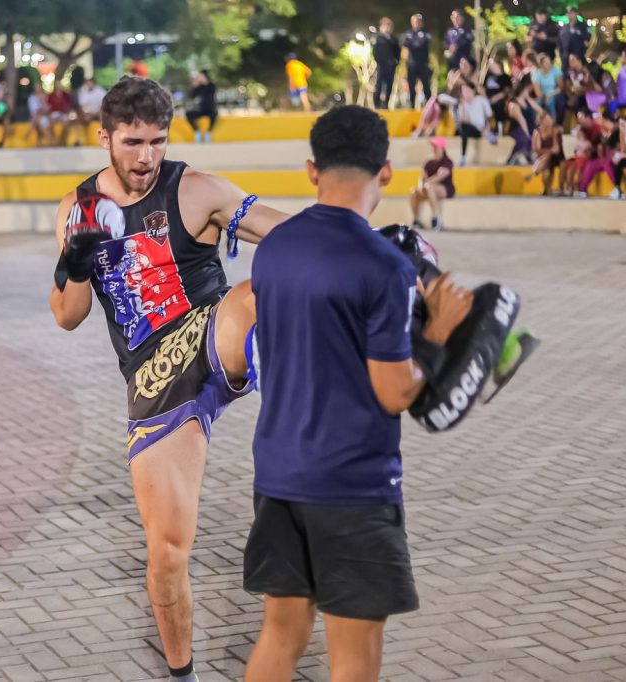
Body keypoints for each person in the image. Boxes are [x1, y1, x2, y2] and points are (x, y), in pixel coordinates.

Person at [48, 76, 289, 682]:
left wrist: (365, 243)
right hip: (155, 377)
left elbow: (288, 233)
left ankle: (298, 458)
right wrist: (76, 257)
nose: (146, 156)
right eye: (132, 142)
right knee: (165, 554)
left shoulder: (196, 189)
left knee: (263, 291)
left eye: (157, 141)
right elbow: (68, 316)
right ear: (104, 137)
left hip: (211, 328)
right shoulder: (76, 208)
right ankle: (182, 674)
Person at [241, 105, 472, 682]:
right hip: (350, 484)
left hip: (277, 473)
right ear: (386, 172)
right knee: (353, 661)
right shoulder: (384, 265)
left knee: (280, 636)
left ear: (311, 170)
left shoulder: (274, 249)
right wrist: (437, 336)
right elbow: (394, 392)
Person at [410, 137, 454, 231]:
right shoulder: (428, 163)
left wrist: (426, 184)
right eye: (433, 146)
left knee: (429, 187)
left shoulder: (447, 161)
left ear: (442, 148)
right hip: (428, 189)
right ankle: (416, 220)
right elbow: (422, 178)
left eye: (436, 146)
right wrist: (420, 186)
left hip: (445, 189)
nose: (433, 148)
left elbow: (440, 176)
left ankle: (436, 218)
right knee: (414, 192)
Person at [454, 83, 494, 165]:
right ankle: (463, 157)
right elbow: (463, 121)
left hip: (481, 129)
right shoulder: (462, 104)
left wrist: (487, 130)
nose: (466, 93)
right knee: (463, 128)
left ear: (473, 91)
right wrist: (463, 107)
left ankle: (464, 157)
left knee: (464, 130)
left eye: (467, 91)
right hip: (469, 129)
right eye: (464, 91)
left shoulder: (481, 100)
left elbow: (490, 118)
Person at [524, 112, 563, 196]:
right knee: (546, 166)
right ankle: (547, 190)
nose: (549, 121)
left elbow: (556, 149)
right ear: (541, 121)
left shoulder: (554, 130)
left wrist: (545, 151)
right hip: (542, 158)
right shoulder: (537, 132)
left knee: (547, 157)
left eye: (549, 119)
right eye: (546, 119)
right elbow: (536, 149)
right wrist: (548, 151)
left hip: (555, 157)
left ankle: (533, 173)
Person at [507, 78, 542, 165]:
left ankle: (532, 158)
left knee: (537, 137)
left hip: (531, 127)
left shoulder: (528, 100)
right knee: (525, 139)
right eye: (528, 89)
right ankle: (515, 159)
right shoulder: (513, 104)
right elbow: (521, 120)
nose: (529, 91)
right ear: (523, 89)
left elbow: (540, 111)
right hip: (518, 129)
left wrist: (538, 118)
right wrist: (528, 135)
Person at [401, 14, 433, 107]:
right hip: (412, 64)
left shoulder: (426, 33)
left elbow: (422, 42)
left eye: (419, 21)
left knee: (426, 85)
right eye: (415, 21)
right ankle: (411, 105)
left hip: (423, 63)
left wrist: (413, 42)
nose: (417, 23)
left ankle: (430, 105)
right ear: (412, 22)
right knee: (411, 85)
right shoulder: (407, 33)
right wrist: (415, 42)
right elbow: (405, 42)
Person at [373, 17, 400, 109]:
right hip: (381, 65)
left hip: (391, 66)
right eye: (385, 25)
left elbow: (398, 52)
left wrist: (396, 61)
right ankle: (376, 103)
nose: (387, 27)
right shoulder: (378, 38)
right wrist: (379, 61)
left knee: (389, 84)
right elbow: (375, 52)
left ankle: (386, 102)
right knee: (379, 84)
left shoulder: (394, 39)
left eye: (389, 25)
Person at [185, 70, 218, 143]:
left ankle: (208, 133)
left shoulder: (212, 85)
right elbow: (192, 96)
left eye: (200, 76)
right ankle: (197, 132)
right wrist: (195, 86)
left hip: (211, 109)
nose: (199, 77)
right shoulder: (200, 86)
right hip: (201, 110)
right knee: (188, 114)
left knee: (215, 114)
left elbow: (209, 93)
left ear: (204, 76)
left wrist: (202, 84)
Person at [484, 56, 512, 135]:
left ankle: (500, 129)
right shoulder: (487, 77)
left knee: (500, 105)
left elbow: (508, 91)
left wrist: (495, 98)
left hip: (500, 100)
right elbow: (483, 89)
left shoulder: (505, 77)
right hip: (488, 99)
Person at [531, 53, 563, 119]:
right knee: (535, 104)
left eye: (549, 62)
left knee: (550, 102)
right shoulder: (537, 74)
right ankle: (536, 122)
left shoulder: (554, 72)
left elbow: (560, 87)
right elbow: (538, 92)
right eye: (546, 62)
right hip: (542, 95)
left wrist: (551, 94)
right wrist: (545, 97)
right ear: (541, 64)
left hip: (554, 94)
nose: (549, 64)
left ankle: (553, 121)